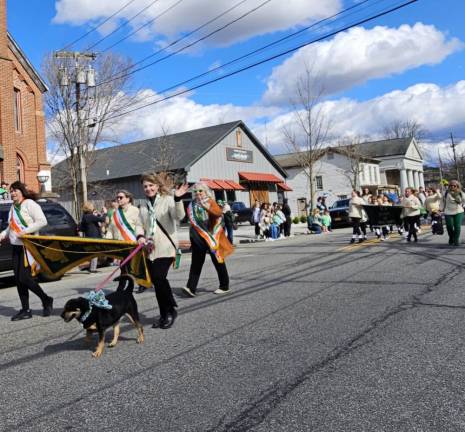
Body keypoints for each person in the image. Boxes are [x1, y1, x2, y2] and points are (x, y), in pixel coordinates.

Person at [137, 173, 188, 329]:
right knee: (158, 283)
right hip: (150, 249)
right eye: (145, 186)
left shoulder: (167, 200)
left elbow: (179, 216)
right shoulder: (144, 205)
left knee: (159, 278)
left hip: (166, 247)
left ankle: (169, 311)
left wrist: (178, 199)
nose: (148, 188)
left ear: (157, 186)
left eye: (151, 185)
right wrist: (139, 235)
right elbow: (139, 223)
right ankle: (166, 311)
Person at [0, 181, 53, 320]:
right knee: (18, 280)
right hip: (16, 246)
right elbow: (10, 228)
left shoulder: (30, 204)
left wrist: (24, 232)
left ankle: (46, 299)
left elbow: (42, 221)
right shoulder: (12, 207)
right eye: (11, 191)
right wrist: (2, 235)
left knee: (25, 278)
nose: (12, 193)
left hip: (27, 246)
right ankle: (26, 310)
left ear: (21, 191)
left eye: (15, 190)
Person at [183, 182, 234, 297]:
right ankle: (191, 288)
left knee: (218, 261)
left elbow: (218, 214)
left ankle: (224, 286)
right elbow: (191, 222)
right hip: (198, 238)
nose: (198, 193)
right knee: (196, 263)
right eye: (195, 191)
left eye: (200, 191)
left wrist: (207, 208)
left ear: (206, 192)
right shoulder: (191, 205)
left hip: (212, 236)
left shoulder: (210, 201)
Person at [79, 202, 106, 272]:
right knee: (95, 252)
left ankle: (90, 267)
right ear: (90, 208)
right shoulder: (90, 216)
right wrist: (105, 213)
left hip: (88, 236)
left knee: (93, 252)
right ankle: (93, 268)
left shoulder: (84, 216)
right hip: (95, 236)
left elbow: (82, 227)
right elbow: (102, 219)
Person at [442, 180, 464, 246]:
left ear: (457, 186)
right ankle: (451, 238)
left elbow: (463, 200)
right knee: (449, 226)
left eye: (454, 186)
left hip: (458, 211)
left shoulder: (460, 192)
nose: (453, 187)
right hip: (448, 212)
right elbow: (442, 202)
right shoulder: (446, 193)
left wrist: (460, 200)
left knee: (457, 226)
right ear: (449, 186)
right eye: (451, 185)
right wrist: (440, 210)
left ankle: (456, 240)